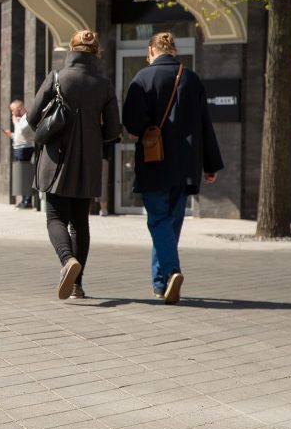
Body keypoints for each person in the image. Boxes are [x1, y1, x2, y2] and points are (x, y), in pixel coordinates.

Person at [122, 31, 223, 305]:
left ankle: (172, 271)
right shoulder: (191, 78)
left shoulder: (142, 78)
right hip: (185, 164)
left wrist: (142, 130)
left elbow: (131, 121)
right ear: (174, 51)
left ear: (151, 51)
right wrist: (210, 164)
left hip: (155, 161)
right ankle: (161, 283)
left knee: (158, 221)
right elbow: (205, 124)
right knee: (171, 224)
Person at [28, 30, 121, 300]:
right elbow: (113, 129)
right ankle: (77, 285)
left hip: (55, 159)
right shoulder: (103, 84)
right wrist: (92, 137)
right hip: (88, 161)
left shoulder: (56, 77)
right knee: (80, 221)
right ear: (96, 52)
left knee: (55, 216)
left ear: (72, 49)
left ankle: (67, 260)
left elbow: (33, 117)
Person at [3, 100, 35, 208]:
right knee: (20, 174)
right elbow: (19, 136)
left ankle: (28, 200)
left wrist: (16, 123)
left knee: (24, 174)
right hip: (18, 148)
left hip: (25, 149)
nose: (12, 113)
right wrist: (11, 134)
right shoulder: (19, 119)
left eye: (13, 110)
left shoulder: (25, 118)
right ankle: (23, 199)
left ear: (20, 108)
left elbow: (26, 132)